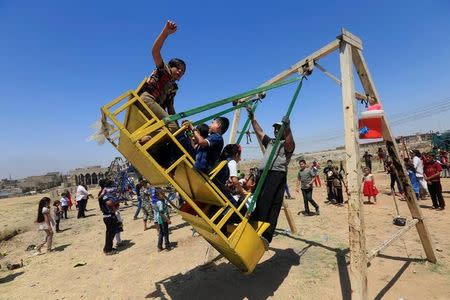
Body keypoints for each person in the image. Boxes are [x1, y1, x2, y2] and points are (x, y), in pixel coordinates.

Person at [246, 106, 295, 248]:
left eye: (279, 128)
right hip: (263, 174)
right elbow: (259, 132)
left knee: (271, 204)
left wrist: (288, 127)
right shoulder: (271, 142)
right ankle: (253, 229)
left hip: (276, 175)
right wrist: (252, 117)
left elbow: (290, 142)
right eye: (275, 128)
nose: (275, 130)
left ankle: (266, 236)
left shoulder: (286, 145)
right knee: (257, 202)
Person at [139, 21, 186, 144]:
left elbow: (170, 108)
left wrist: (178, 126)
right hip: (147, 99)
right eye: (178, 68)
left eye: (183, 72)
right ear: (170, 66)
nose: (180, 72)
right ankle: (146, 136)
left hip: (155, 108)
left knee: (175, 130)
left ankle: (150, 141)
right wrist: (166, 32)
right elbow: (155, 51)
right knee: (172, 128)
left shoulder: (173, 88)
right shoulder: (163, 70)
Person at [98, 179, 120, 255]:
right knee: (110, 233)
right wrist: (117, 202)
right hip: (109, 216)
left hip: (109, 215)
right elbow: (109, 202)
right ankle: (108, 250)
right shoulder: (104, 193)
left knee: (110, 233)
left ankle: (108, 248)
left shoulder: (102, 192)